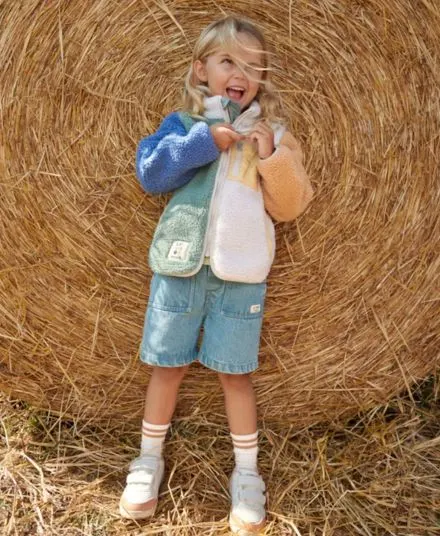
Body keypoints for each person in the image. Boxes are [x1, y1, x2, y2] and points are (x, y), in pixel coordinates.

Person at [119, 15, 313, 534]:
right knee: (167, 366)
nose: (240, 73)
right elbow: (151, 173)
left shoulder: (274, 136)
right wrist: (205, 142)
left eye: (252, 65)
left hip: (240, 276)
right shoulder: (184, 126)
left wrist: (270, 156)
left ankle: (247, 475)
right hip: (179, 265)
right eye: (228, 60)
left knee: (235, 373)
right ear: (201, 70)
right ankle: (147, 461)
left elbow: (291, 205)